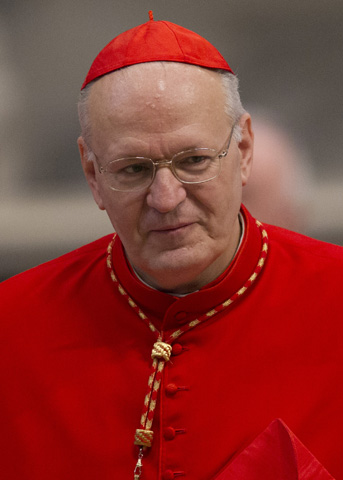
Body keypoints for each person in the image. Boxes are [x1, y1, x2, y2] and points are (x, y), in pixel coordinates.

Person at [0, 13, 342, 480]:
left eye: (194, 160)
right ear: (93, 175)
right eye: (134, 170)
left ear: (242, 151)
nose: (166, 199)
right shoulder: (11, 326)